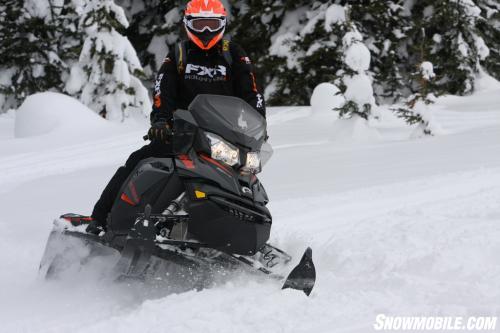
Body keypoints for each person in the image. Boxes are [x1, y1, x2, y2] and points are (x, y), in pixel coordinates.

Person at [86, 0, 266, 234]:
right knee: (138, 162)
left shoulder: (234, 54)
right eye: (200, 24)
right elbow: (163, 89)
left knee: (246, 178)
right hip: (183, 133)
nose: (206, 31)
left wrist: (258, 128)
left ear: (221, 24)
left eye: (211, 24)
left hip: (223, 138)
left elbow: (252, 93)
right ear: (188, 25)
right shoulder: (180, 54)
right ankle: (100, 219)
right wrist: (161, 121)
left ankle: (245, 235)